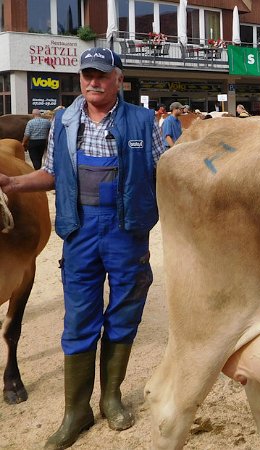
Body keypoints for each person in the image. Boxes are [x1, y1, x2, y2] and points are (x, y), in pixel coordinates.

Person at [0, 47, 164, 449]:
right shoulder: (65, 120)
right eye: (87, 74)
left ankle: (110, 397)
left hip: (128, 231)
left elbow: (167, 172)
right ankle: (76, 411)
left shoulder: (144, 122)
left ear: (118, 79)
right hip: (80, 230)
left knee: (124, 313)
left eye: (102, 75)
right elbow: (53, 173)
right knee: (78, 321)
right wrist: (15, 184)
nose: (93, 81)